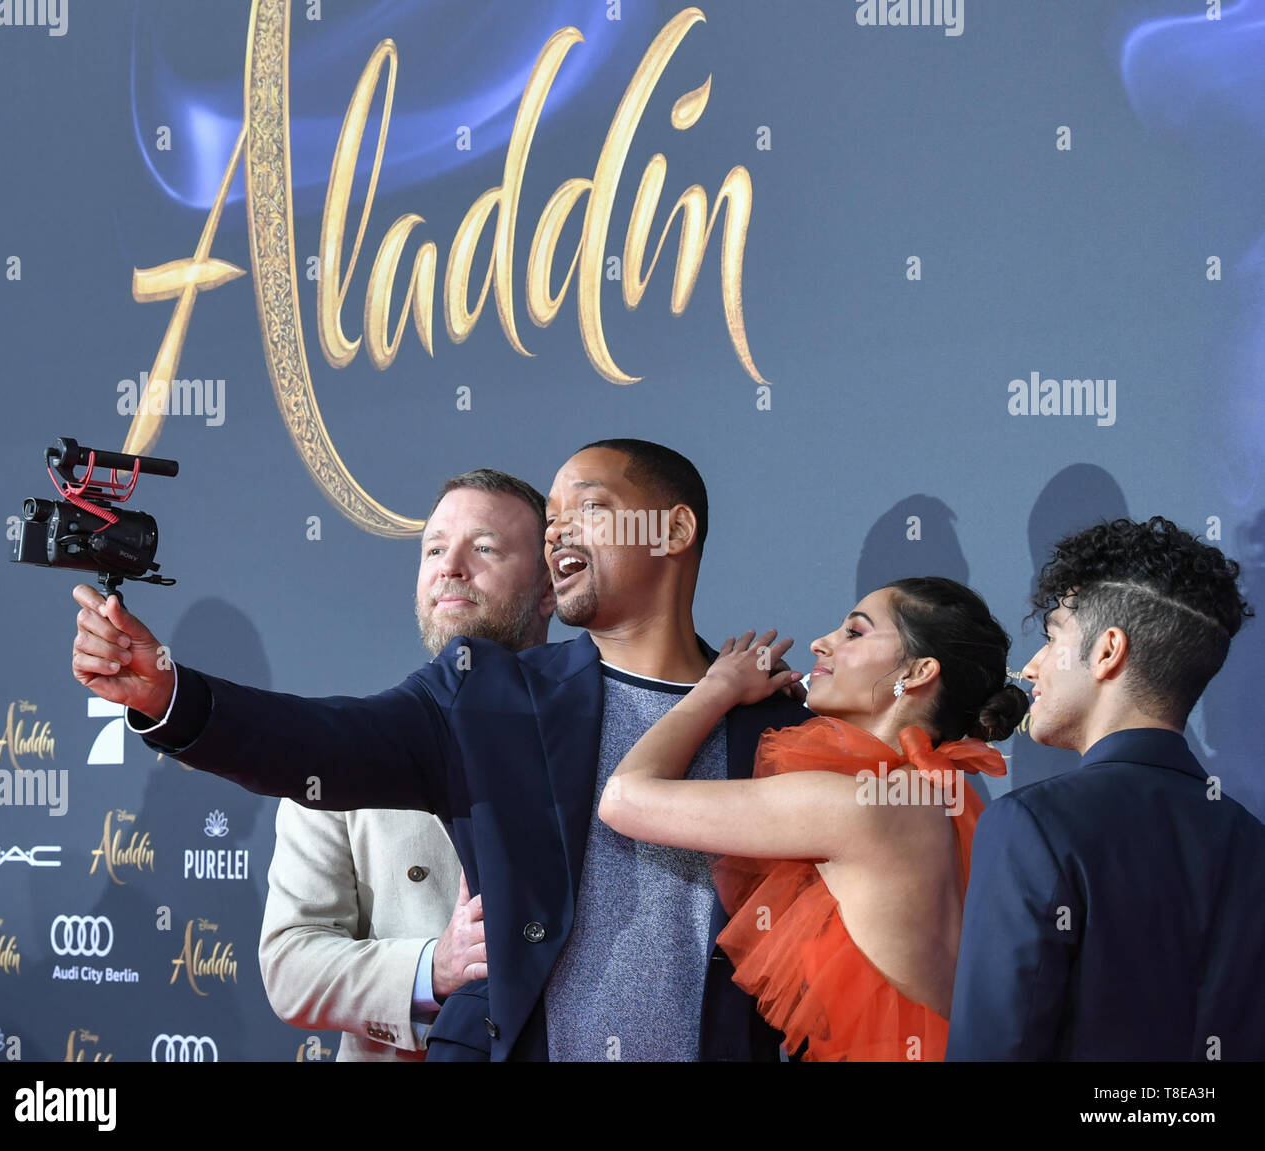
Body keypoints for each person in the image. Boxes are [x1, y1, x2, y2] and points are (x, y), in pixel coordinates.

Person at [70, 439, 810, 1061]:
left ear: (673, 529)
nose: (558, 534)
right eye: (550, 521)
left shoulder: (774, 725)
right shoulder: (485, 692)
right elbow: (314, 741)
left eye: (586, 507)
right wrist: (168, 693)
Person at [599, 577, 1027, 1061]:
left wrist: (716, 686)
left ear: (920, 671)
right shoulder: (942, 797)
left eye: (855, 633)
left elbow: (624, 799)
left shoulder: (859, 805)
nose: (820, 642)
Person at [258, 468, 554, 1061]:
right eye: (435, 549)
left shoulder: (609, 733)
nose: (450, 566)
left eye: (485, 548)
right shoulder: (347, 751)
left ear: (550, 590)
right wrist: (433, 968)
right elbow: (290, 964)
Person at [946, 516, 1265, 1061]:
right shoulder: (1251, 841)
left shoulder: (1032, 826)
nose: (1030, 668)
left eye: (1051, 638)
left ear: (1107, 650)